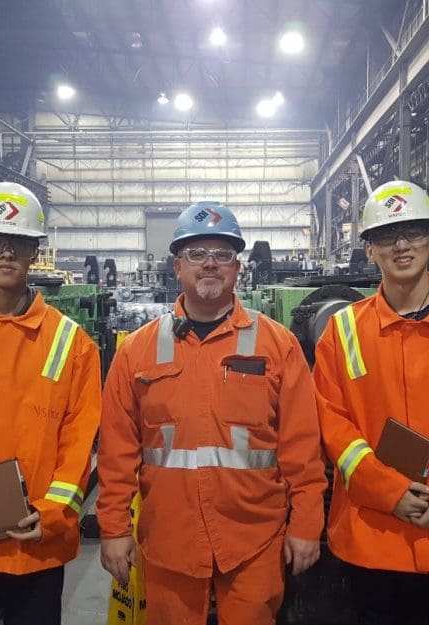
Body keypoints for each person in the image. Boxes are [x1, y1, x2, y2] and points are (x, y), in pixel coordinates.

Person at [97, 200, 326, 625]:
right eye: (196, 253)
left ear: (237, 267)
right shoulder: (136, 351)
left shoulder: (277, 346)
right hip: (170, 540)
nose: (209, 264)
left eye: (222, 254)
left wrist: (307, 524)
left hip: (255, 540)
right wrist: (112, 528)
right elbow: (116, 450)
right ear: (177, 266)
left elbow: (301, 448)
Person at [313, 180, 429, 625]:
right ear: (368, 250)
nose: (402, 246)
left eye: (415, 232)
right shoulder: (342, 332)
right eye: (386, 236)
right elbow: (331, 425)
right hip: (373, 538)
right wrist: (389, 491)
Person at [0, 182, 101, 625]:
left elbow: (80, 441)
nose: (6, 253)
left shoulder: (72, 342)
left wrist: (53, 515)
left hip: (38, 544)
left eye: (19, 242)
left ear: (34, 251)